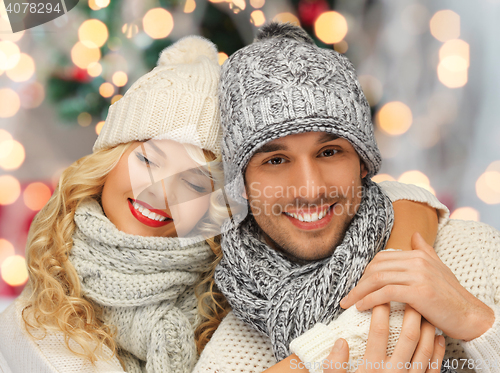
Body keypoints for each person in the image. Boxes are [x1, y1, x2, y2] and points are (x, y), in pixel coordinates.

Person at [194, 23, 500, 373]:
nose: (310, 189)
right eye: (275, 160)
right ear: (242, 184)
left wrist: (480, 325)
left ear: (362, 163)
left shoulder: (472, 257)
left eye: (329, 152)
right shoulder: (229, 358)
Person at [0, 36, 234, 373]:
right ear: (107, 163)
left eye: (194, 182)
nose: (160, 192)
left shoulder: (232, 312)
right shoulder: (32, 326)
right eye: (149, 160)